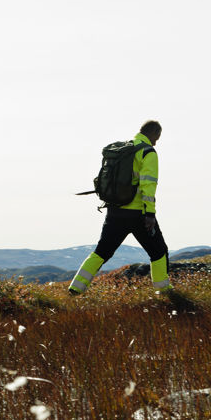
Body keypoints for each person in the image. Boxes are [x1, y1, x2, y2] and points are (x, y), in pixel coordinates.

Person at [68, 120, 169, 295]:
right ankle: (164, 290)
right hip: (138, 214)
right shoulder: (147, 152)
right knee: (159, 251)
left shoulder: (123, 150)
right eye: (157, 138)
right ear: (154, 133)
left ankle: (76, 288)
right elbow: (148, 186)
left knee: (101, 252)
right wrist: (150, 214)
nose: (156, 142)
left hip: (115, 211)